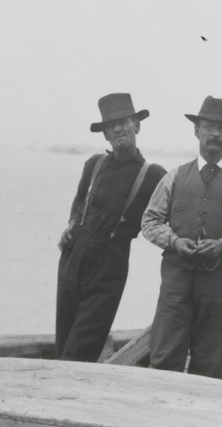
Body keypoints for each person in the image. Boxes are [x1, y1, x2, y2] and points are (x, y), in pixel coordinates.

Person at [142, 96, 222, 379]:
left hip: (218, 285)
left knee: (209, 363)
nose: (215, 133)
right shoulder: (174, 177)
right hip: (176, 279)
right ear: (196, 131)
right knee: (164, 356)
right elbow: (149, 221)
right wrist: (173, 241)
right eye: (209, 126)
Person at [56, 93, 166, 362]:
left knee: (80, 350)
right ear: (105, 135)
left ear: (136, 126)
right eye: (110, 125)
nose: (117, 128)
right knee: (63, 341)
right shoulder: (94, 164)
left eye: (123, 122)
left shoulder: (154, 176)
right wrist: (72, 223)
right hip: (73, 258)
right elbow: (80, 199)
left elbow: (170, 218)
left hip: (110, 265)